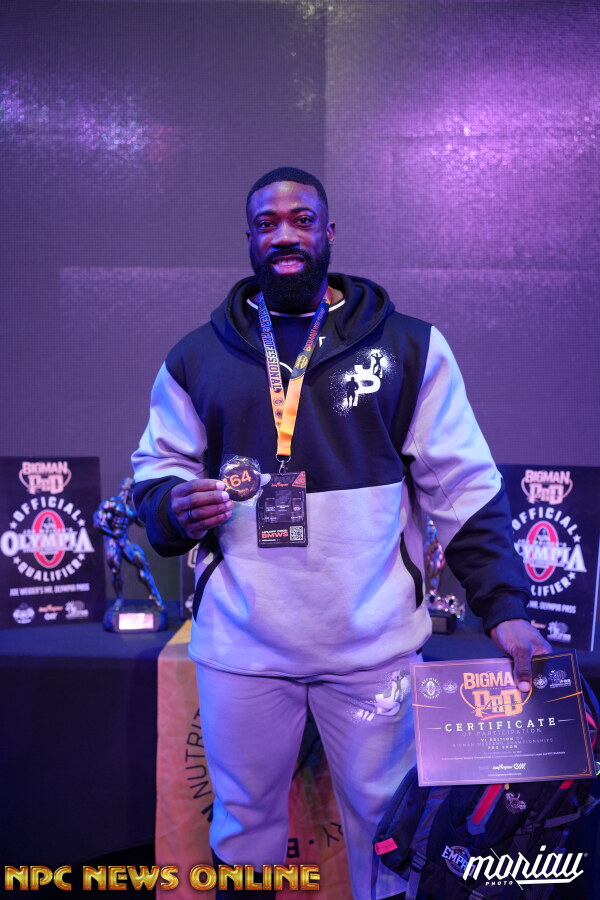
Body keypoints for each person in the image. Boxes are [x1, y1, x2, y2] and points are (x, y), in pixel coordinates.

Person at [131, 167, 551, 900]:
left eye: (301, 220)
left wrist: (505, 609)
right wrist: (172, 508)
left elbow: (464, 487)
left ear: (328, 232)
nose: (284, 235)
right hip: (243, 647)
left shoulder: (412, 347)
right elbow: (157, 470)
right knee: (243, 826)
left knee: (385, 831)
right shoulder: (197, 357)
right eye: (267, 223)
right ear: (249, 239)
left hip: (371, 646)